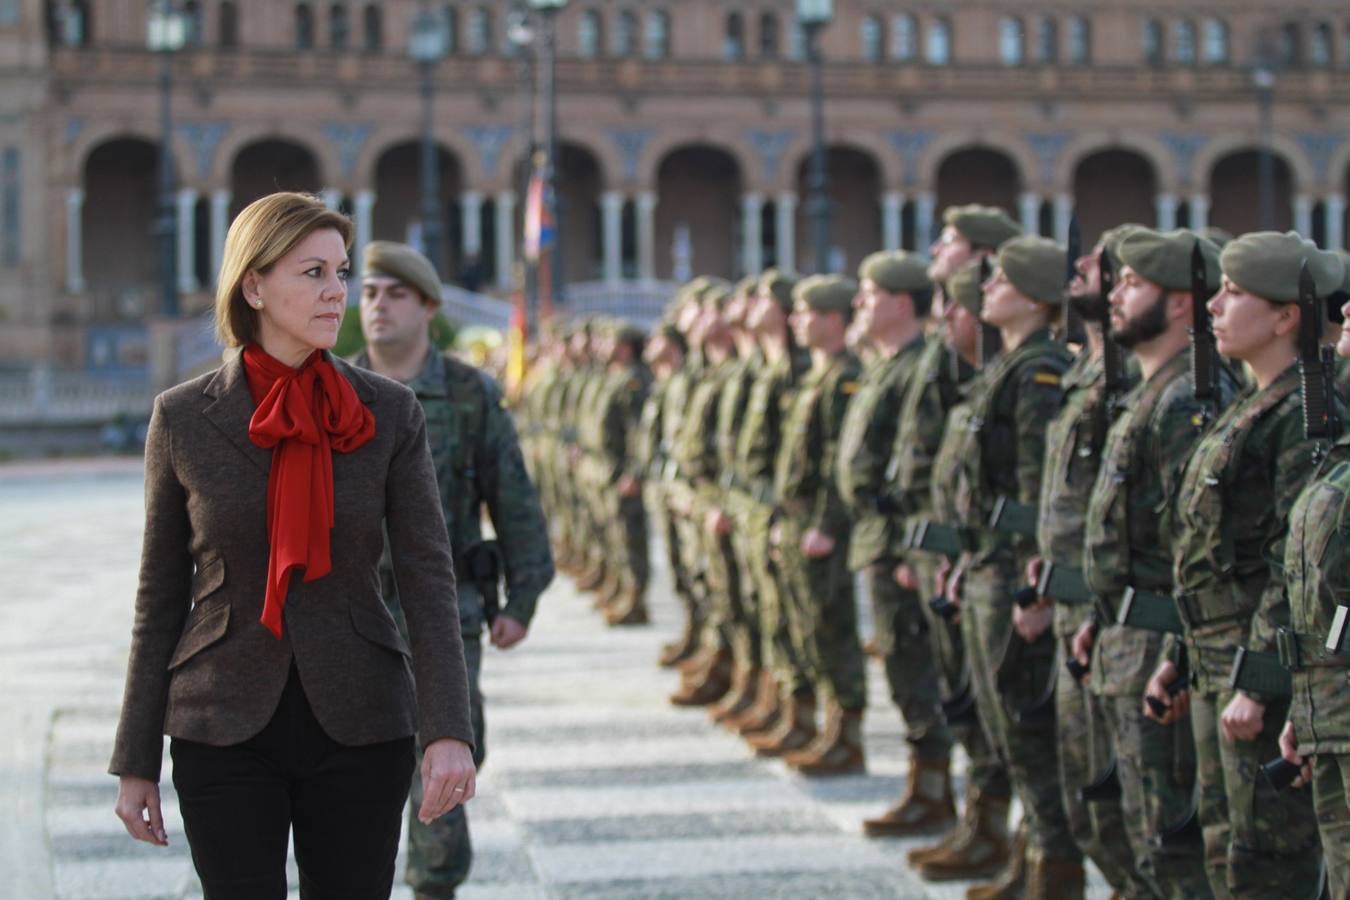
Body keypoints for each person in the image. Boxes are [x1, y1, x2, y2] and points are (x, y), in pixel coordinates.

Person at [110, 192, 476, 900]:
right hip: (221, 717)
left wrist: (448, 731)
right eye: (313, 273)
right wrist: (135, 758)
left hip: (362, 714)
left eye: (340, 273)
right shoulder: (184, 418)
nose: (337, 292)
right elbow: (158, 596)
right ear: (254, 284)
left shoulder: (389, 411)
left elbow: (428, 579)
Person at [351, 240, 554, 899]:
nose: (379, 306)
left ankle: (434, 887)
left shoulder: (468, 394)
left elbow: (513, 498)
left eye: (396, 294)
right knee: (357, 763)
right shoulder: (335, 389)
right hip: (353, 616)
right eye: (371, 293)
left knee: (440, 761)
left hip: (445, 614)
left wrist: (522, 598)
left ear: (429, 309)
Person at [1147, 231, 1337, 897]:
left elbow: (1297, 557)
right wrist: (1180, 648)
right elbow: (1200, 546)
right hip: (1215, 654)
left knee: (1264, 860)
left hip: (1260, 665)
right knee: (1223, 845)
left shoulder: (1304, 413)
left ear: (1286, 315)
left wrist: (1258, 682)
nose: (1215, 308)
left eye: (1234, 293)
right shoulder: (1249, 405)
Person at [947, 235, 1080, 896]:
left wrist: (1036, 581)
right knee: (1001, 722)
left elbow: (1036, 491)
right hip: (986, 563)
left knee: (1027, 727)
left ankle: (1052, 864)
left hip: (1011, 574)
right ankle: (1027, 855)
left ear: (1032, 297)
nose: (987, 289)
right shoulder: (1008, 366)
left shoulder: (1039, 370)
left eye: (1000, 280)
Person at [837, 251, 956, 832]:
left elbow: (925, 468)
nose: (858, 303)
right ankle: (924, 786)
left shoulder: (919, 368)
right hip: (879, 538)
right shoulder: (887, 365)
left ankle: (933, 791)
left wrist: (916, 547)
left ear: (901, 302)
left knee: (915, 668)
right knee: (900, 665)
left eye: (869, 293)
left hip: (899, 540)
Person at [771, 274, 866, 775]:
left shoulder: (846, 377)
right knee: (806, 625)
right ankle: (820, 723)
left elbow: (838, 461)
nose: (795, 321)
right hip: (797, 519)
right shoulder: (815, 375)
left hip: (821, 526)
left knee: (832, 628)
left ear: (832, 319)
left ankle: (846, 734)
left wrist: (827, 524)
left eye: (806, 313)